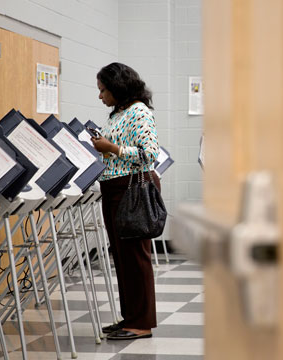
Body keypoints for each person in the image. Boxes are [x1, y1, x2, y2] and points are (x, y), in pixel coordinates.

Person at [90, 62, 160, 340]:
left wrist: (113, 148)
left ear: (118, 87)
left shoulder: (139, 112)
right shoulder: (118, 113)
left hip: (131, 191)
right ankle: (130, 317)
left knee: (136, 258)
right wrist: (105, 149)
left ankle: (142, 323)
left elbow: (149, 153)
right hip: (113, 189)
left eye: (103, 90)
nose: (100, 96)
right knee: (121, 257)